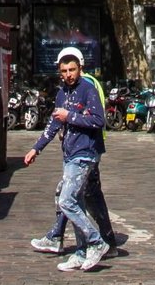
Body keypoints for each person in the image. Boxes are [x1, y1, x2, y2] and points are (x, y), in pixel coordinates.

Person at [23, 48, 109, 272]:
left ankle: (96, 242)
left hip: (86, 152)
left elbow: (98, 120)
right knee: (76, 202)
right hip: (69, 153)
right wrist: (36, 148)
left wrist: (70, 116)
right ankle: (80, 253)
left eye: (72, 69)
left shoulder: (88, 90)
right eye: (64, 71)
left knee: (66, 201)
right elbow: (53, 125)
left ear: (80, 68)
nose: (69, 74)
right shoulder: (62, 94)